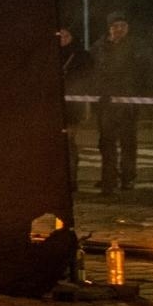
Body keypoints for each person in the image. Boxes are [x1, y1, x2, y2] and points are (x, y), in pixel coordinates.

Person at [92, 12, 153, 195]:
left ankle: (128, 178)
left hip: (128, 104)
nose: (119, 29)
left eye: (123, 26)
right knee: (106, 142)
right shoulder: (99, 47)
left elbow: (146, 73)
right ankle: (108, 179)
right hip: (106, 104)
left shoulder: (137, 47)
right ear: (109, 28)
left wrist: (142, 96)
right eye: (115, 26)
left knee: (128, 142)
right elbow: (92, 71)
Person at [57, 27, 90, 189]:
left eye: (66, 35)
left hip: (72, 108)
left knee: (69, 143)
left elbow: (87, 79)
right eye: (60, 35)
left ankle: (71, 180)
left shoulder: (81, 55)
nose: (62, 38)